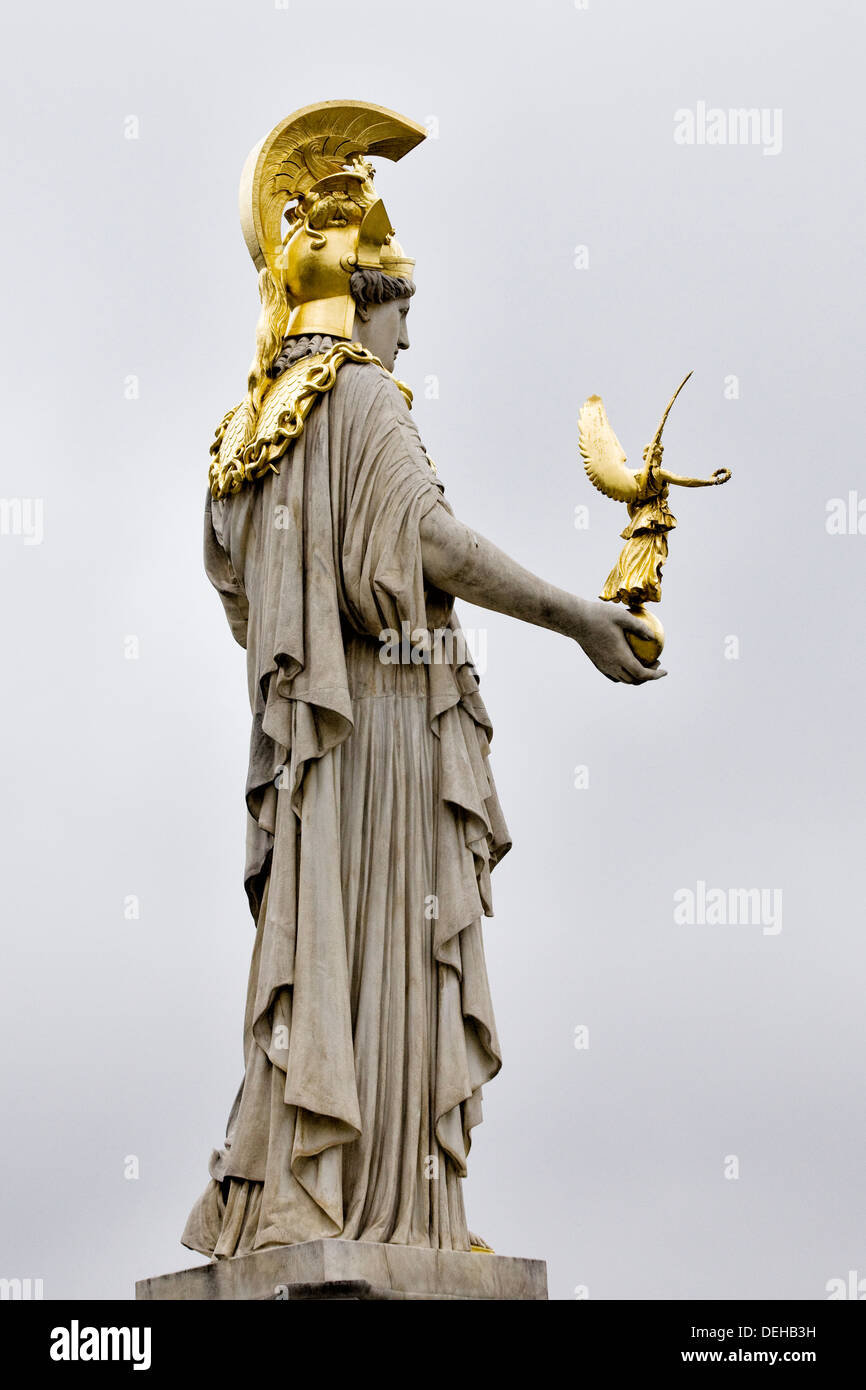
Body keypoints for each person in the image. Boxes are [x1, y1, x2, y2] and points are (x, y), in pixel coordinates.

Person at [181, 104, 662, 1261]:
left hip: (310, 747)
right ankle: (390, 1208)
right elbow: (436, 548)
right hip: (384, 725)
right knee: (388, 956)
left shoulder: (246, 433)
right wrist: (578, 618)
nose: (410, 346)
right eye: (405, 317)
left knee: (323, 959)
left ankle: (319, 1193)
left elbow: (245, 597)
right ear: (367, 301)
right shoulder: (359, 404)